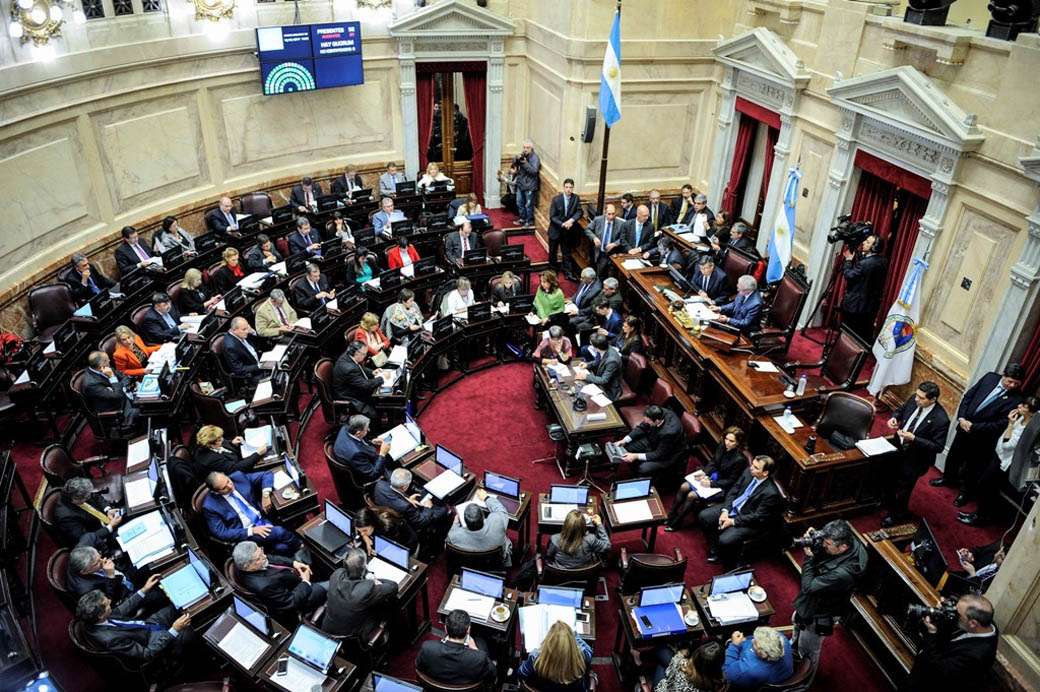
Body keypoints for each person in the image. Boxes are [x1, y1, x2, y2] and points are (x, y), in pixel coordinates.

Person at [933, 363, 1024, 499]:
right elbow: (968, 397)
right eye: (1010, 381)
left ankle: (964, 494)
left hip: (982, 437)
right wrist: (961, 418)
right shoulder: (989, 378)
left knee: (972, 467)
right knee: (954, 456)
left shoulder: (1017, 400)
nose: (1012, 385)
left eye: (1016, 383)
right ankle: (948, 479)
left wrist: (973, 427)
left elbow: (1001, 423)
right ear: (1003, 375)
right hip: (963, 426)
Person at [791, 519, 867, 666]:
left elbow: (808, 587)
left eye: (827, 544)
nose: (823, 545)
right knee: (796, 624)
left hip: (820, 612)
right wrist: (816, 536)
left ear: (843, 547)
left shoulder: (843, 573)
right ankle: (793, 650)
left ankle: (805, 675)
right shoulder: (847, 539)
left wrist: (809, 557)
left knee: (807, 651)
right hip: (815, 601)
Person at [959, 396, 1039, 526]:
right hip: (998, 455)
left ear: (1032, 413)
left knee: (987, 488)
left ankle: (980, 518)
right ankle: (978, 514)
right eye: (1022, 404)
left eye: (1024, 406)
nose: (1019, 406)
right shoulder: (1021, 419)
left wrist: (1010, 424)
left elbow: (1007, 445)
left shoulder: (1027, 430)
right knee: (984, 486)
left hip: (1004, 463)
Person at [881, 381, 951, 526]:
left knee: (904, 488)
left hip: (916, 459)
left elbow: (938, 446)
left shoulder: (941, 419)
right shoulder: (915, 399)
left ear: (933, 399)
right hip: (898, 447)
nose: (916, 399)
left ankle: (897, 514)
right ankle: (886, 502)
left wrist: (914, 439)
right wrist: (895, 417)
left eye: (921, 398)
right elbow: (901, 410)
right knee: (889, 476)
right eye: (917, 395)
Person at [75, 588, 192, 670]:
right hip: (150, 640)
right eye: (107, 604)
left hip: (146, 625)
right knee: (190, 631)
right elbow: (147, 653)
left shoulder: (97, 618)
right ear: (101, 615)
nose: (110, 601)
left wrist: (144, 590)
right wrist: (174, 630)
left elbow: (122, 609)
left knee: (177, 606)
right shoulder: (111, 640)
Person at [697, 455, 782, 564]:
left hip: (749, 521)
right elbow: (733, 491)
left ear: (765, 473)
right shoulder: (748, 472)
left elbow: (757, 516)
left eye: (756, 468)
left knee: (725, 540)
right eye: (752, 465)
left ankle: (723, 556)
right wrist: (725, 511)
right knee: (704, 516)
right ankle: (714, 547)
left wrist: (732, 521)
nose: (751, 468)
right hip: (733, 508)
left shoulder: (771, 493)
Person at [904, 594, 998, 692]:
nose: (954, 615)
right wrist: (945, 608)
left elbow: (939, 670)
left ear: (973, 623)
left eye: (958, 614)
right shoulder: (984, 621)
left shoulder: (977, 655)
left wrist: (932, 633)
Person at [202, 471, 301, 556]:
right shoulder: (209, 506)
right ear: (216, 492)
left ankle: (278, 552)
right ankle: (301, 546)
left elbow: (266, 474)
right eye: (224, 488)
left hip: (263, 517)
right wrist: (251, 531)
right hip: (246, 533)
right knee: (280, 532)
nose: (230, 486)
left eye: (228, 481)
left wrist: (265, 495)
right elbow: (221, 533)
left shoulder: (238, 477)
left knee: (281, 547)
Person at [668, 426, 747, 530]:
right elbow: (713, 461)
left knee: (692, 495)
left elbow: (731, 481)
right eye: (726, 439)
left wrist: (711, 484)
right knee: (684, 486)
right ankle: (671, 515)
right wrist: (704, 473)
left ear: (738, 443)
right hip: (712, 476)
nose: (727, 442)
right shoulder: (722, 446)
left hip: (721, 487)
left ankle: (677, 522)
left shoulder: (740, 460)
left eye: (731, 441)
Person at [232, 541, 325, 617]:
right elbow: (291, 602)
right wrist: (305, 582)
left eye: (261, 551)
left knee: (306, 551)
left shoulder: (248, 561)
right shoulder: (265, 586)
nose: (264, 556)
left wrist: (293, 563)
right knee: (327, 586)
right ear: (248, 566)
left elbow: (271, 558)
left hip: (289, 574)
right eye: (259, 558)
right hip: (298, 592)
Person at [322, 548, 397, 639]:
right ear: (365, 566)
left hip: (327, 628)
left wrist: (365, 572)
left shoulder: (336, 575)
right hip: (351, 637)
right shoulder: (366, 589)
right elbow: (393, 586)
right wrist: (373, 579)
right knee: (385, 607)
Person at [416, 609, 497, 685]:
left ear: (445, 628)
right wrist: (475, 649)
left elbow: (419, 667)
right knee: (481, 642)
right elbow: (493, 674)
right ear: (468, 630)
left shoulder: (428, 647)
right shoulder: (479, 657)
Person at [373, 468, 451, 542]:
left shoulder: (379, 485)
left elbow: (394, 497)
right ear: (404, 487)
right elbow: (421, 521)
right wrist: (428, 507)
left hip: (392, 507)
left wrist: (407, 499)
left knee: (422, 494)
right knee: (443, 509)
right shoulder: (405, 506)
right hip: (409, 522)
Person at [518, 620, 593, 692]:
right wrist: (574, 635)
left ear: (549, 641)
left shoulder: (535, 658)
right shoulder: (584, 655)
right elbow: (588, 650)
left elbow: (521, 673)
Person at [839, 233, 887, 343]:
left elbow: (849, 275)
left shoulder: (865, 264)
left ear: (874, 247)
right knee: (861, 335)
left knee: (848, 334)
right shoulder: (883, 261)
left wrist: (848, 261)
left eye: (868, 242)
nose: (864, 243)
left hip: (855, 305)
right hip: (870, 307)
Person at [615, 404, 685, 478]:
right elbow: (642, 427)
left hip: (667, 454)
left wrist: (636, 456)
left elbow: (658, 454)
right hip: (653, 439)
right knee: (626, 447)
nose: (645, 422)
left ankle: (637, 479)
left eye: (648, 421)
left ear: (657, 421)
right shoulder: (659, 412)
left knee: (643, 468)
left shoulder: (669, 433)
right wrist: (624, 440)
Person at [447, 488, 513, 566]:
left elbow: (448, 546)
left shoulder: (453, 536)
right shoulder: (497, 523)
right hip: (495, 563)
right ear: (483, 517)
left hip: (469, 564)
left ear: (465, 521)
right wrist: (486, 498)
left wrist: (455, 524)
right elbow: (501, 510)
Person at [53, 477, 123, 548]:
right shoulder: (67, 518)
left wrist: (108, 510)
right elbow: (85, 539)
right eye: (86, 497)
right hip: (100, 537)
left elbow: (96, 497)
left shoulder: (79, 494)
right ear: (76, 499)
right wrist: (110, 527)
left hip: (106, 520)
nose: (89, 497)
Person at [723, 627, 793, 691]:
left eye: (755, 643)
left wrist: (734, 645)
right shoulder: (781, 638)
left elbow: (727, 673)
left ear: (763, 654)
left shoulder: (748, 669)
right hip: (784, 675)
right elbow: (755, 640)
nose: (752, 640)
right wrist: (745, 640)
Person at [81, 350, 137, 428]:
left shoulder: (105, 367)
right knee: (146, 410)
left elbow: (124, 377)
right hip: (119, 410)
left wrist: (119, 387)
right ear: (101, 365)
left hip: (127, 396)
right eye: (107, 360)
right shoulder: (91, 384)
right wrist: (112, 377)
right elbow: (117, 395)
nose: (109, 361)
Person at [333, 414, 393, 484]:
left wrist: (371, 441)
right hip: (364, 474)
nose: (369, 430)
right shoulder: (356, 454)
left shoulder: (345, 428)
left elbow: (359, 441)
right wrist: (382, 454)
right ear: (358, 433)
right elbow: (373, 474)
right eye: (366, 429)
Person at [333, 340, 385, 419]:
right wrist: (382, 378)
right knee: (375, 413)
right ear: (356, 353)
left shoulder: (348, 355)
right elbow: (366, 385)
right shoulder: (349, 369)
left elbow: (358, 366)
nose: (366, 356)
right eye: (364, 354)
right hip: (349, 397)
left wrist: (372, 372)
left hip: (352, 388)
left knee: (380, 400)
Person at [193, 424, 266, 479]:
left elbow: (224, 444)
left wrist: (232, 443)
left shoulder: (214, 443)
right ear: (210, 444)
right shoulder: (211, 459)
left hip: (241, 462)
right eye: (219, 440)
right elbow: (236, 469)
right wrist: (257, 454)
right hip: (235, 476)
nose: (222, 439)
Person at [653, 639, 726, 692]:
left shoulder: (684, 672)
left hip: (667, 688)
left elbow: (672, 669)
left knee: (661, 650)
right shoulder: (720, 682)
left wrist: (681, 654)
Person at [548, 177, 583, 279]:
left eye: (570, 187)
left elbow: (579, 211)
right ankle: (553, 272)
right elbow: (552, 217)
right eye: (567, 187)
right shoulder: (556, 199)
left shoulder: (576, 198)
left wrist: (571, 220)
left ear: (573, 188)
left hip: (567, 232)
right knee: (553, 252)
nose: (568, 189)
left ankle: (568, 273)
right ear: (563, 188)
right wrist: (563, 224)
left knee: (566, 252)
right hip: (555, 230)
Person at [573, 333, 623, 401]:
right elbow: (597, 361)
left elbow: (604, 380)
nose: (591, 346)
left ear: (597, 347)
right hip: (600, 377)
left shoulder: (612, 361)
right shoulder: (603, 348)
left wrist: (586, 376)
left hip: (609, 388)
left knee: (586, 397)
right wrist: (587, 365)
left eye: (592, 345)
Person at [221, 317, 266, 386]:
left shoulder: (240, 333)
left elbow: (259, 344)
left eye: (247, 328)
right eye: (244, 329)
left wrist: (252, 332)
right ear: (234, 330)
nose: (247, 331)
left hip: (260, 362)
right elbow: (239, 369)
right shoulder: (231, 346)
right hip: (253, 375)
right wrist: (259, 366)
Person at [584, 203, 625, 275]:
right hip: (600, 253)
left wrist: (614, 244)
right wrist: (594, 238)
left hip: (613, 255)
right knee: (599, 274)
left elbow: (624, 238)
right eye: (609, 214)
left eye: (613, 214)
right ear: (605, 213)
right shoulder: (598, 220)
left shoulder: (620, 223)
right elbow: (587, 229)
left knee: (611, 276)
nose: (611, 217)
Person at [514, 140, 541, 227]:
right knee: (519, 203)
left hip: (530, 186)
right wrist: (517, 158)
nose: (525, 149)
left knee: (528, 205)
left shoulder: (535, 158)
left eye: (527, 148)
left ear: (531, 148)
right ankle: (522, 219)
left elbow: (534, 171)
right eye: (524, 147)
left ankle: (529, 221)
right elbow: (514, 163)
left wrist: (525, 163)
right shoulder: (523, 155)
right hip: (521, 184)